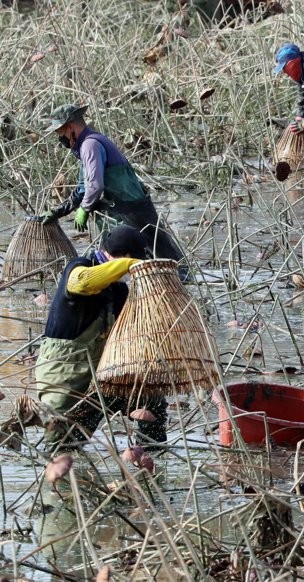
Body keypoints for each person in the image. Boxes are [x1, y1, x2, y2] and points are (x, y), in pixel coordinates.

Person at [35, 225, 168, 451]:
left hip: (102, 377)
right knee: (61, 446)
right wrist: (127, 265)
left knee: (151, 399)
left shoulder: (118, 291)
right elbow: (82, 283)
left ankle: (152, 458)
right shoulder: (79, 267)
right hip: (66, 377)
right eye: (131, 262)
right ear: (125, 257)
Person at [34, 104, 186, 268]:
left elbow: (95, 186)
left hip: (133, 209)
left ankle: (184, 280)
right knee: (125, 255)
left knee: (160, 255)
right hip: (122, 208)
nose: (59, 137)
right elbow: (82, 188)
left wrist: (84, 209)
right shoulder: (86, 144)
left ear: (70, 127)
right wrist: (58, 211)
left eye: (59, 132)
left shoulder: (89, 145)